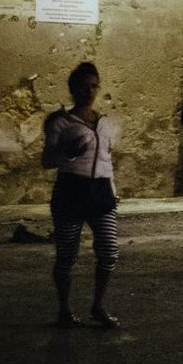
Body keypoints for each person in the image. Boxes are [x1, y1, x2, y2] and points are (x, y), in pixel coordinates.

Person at [41, 62, 122, 328]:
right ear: (72, 89)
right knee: (67, 255)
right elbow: (47, 160)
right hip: (70, 193)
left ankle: (98, 306)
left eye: (93, 85)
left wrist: (113, 190)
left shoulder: (104, 122)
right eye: (83, 86)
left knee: (109, 251)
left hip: (101, 193)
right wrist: (68, 152)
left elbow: (107, 159)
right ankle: (64, 310)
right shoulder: (60, 122)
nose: (89, 91)